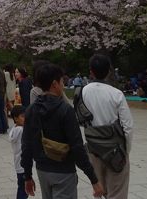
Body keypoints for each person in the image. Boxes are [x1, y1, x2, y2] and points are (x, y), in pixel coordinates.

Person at [21, 62, 104, 199]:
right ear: (54, 84)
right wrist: (94, 179)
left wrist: (27, 176)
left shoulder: (32, 110)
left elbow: (26, 145)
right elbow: (77, 147)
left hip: (42, 170)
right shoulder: (65, 110)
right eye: (61, 81)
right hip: (63, 171)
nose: (63, 85)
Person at [78, 54, 133, 199]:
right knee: (117, 192)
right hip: (115, 149)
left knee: (99, 190)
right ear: (109, 71)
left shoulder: (82, 92)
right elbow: (128, 126)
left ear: (91, 71)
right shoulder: (116, 94)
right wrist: (126, 150)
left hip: (93, 148)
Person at [9, 105, 27, 199]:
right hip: (23, 164)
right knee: (24, 190)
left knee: (21, 187)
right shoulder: (21, 130)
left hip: (18, 164)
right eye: (23, 116)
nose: (25, 118)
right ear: (16, 118)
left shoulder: (13, 130)